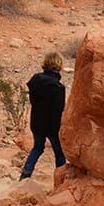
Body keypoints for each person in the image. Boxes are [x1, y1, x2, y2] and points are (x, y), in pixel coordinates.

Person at [20, 52, 67, 180]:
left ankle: (25, 175)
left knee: (37, 148)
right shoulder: (59, 87)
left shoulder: (35, 80)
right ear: (59, 66)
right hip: (52, 126)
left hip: (36, 122)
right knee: (59, 153)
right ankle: (61, 180)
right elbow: (59, 109)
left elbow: (33, 101)